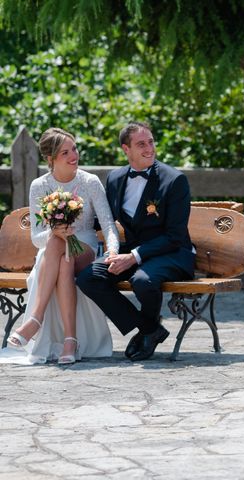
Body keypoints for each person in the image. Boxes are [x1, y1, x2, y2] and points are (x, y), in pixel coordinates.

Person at [76, 121, 195, 361]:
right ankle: (149, 328)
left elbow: (175, 236)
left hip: (173, 253)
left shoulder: (174, 181)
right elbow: (104, 219)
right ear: (126, 149)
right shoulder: (115, 178)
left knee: (143, 281)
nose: (149, 148)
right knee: (89, 277)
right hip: (134, 252)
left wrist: (133, 256)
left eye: (151, 142)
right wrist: (70, 216)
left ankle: (147, 331)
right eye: (141, 144)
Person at [2, 128, 119, 364]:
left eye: (74, 148)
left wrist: (113, 250)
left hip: (84, 245)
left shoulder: (90, 181)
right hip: (54, 251)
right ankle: (70, 339)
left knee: (63, 249)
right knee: (60, 251)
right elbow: (37, 238)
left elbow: (108, 224)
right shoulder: (39, 186)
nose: (73, 155)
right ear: (51, 158)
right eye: (65, 152)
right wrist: (55, 231)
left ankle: (34, 319)